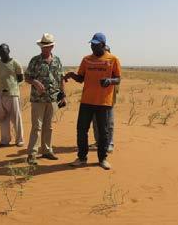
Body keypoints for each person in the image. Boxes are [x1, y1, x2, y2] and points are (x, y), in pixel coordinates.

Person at [64, 33, 121, 170]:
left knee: (103, 132)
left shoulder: (113, 59)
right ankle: (82, 158)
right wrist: (72, 75)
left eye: (95, 44)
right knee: (81, 130)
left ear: (102, 45)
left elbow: (118, 78)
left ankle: (102, 159)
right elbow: (81, 78)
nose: (92, 46)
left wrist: (110, 81)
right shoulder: (86, 60)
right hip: (87, 101)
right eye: (91, 44)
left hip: (103, 102)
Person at [25, 33, 66, 165]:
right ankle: (32, 154)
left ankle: (47, 151)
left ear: (52, 46)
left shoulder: (57, 60)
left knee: (49, 126)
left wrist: (63, 95)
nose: (45, 48)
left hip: (52, 98)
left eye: (47, 46)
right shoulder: (35, 60)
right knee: (37, 126)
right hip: (38, 99)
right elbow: (27, 77)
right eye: (43, 46)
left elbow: (61, 78)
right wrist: (35, 82)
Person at [90, 45, 119, 153]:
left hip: (108, 100)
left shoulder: (114, 69)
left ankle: (109, 143)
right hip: (94, 100)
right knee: (96, 122)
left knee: (109, 123)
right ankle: (98, 142)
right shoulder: (97, 67)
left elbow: (116, 85)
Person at [0, 43, 24, 147]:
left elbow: (20, 78)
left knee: (16, 118)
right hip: (0, 94)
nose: (2, 53)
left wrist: (12, 86)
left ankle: (19, 140)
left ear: (9, 51)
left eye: (4, 51)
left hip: (13, 94)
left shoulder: (15, 63)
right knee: (2, 118)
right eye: (0, 51)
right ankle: (5, 140)